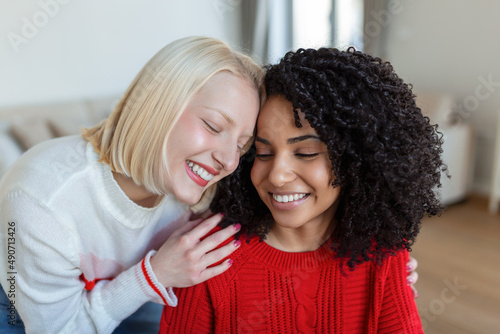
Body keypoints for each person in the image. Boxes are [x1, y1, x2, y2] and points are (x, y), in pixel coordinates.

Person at [160, 47, 445, 333]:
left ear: (356, 158)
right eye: (263, 152)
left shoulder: (382, 254)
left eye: (306, 152)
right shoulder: (208, 258)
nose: (278, 175)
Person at [0, 36, 264, 333]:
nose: (229, 162)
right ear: (158, 106)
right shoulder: (42, 201)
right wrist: (152, 277)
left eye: (242, 145)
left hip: (127, 295)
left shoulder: (201, 190)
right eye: (214, 126)